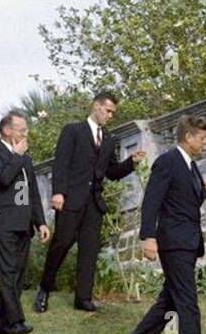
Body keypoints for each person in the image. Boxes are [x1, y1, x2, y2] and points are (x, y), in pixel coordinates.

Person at [115, 114, 206, 334]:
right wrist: (148, 237)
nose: (205, 143)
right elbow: (152, 201)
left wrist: (205, 191)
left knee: (169, 302)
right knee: (187, 301)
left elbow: (184, 204)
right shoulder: (168, 162)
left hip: (188, 241)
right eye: (202, 138)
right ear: (188, 137)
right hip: (173, 243)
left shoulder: (191, 167)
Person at [35, 90, 144, 313]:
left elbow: (112, 172)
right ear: (96, 106)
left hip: (94, 203)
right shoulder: (73, 131)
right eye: (108, 111)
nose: (110, 116)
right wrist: (58, 193)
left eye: (113, 113)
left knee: (89, 250)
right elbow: (61, 164)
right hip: (70, 200)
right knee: (61, 244)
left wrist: (131, 162)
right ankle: (44, 289)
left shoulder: (109, 139)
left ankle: (83, 298)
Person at [0, 111, 50, 334]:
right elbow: (3, 178)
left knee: (18, 274)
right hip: (3, 223)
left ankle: (0, 324)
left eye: (25, 129)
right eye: (21, 129)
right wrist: (17, 156)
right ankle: (15, 321)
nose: (25, 133)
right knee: (8, 272)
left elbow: (31, 192)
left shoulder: (24, 157)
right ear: (7, 131)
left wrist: (40, 222)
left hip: (24, 223)